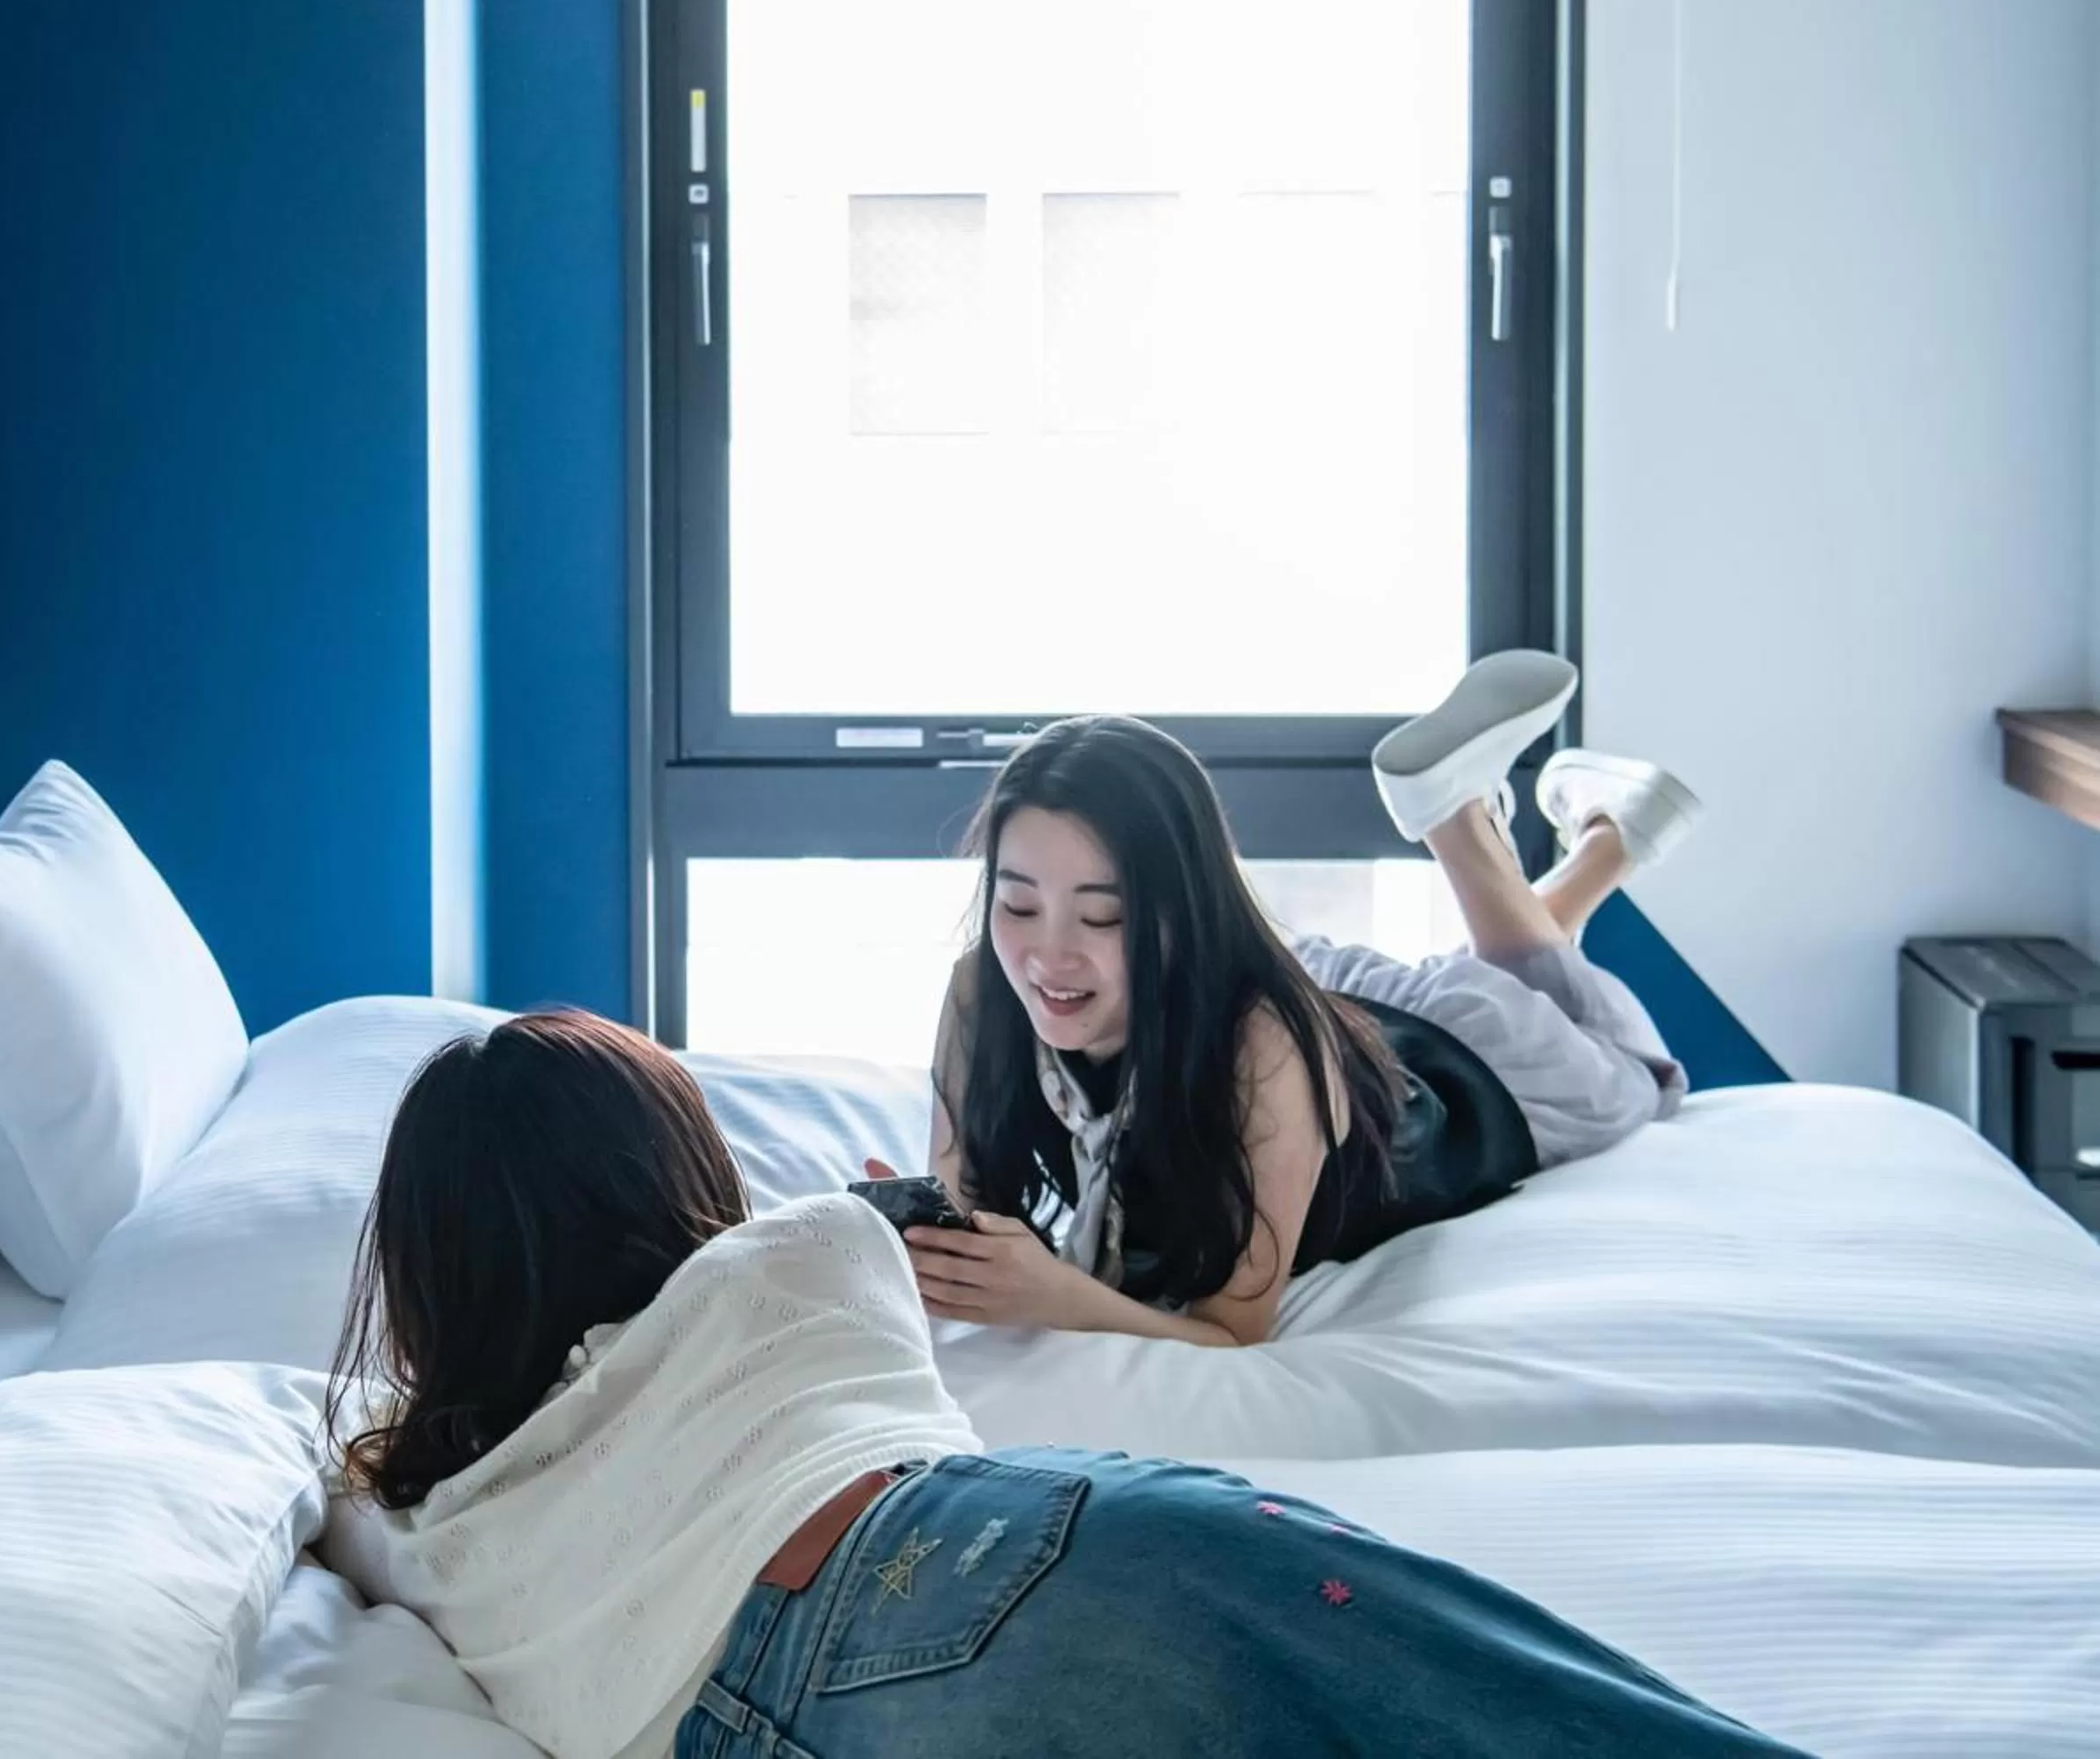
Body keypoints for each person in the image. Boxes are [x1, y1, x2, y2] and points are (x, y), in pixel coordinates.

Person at [320, 1010, 1795, 1759]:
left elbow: (342, 1489)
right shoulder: (805, 1253)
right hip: (995, 1563)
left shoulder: (425, 1520)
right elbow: (839, 1210)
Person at [887, 649, 1698, 1347]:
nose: (1047, 955)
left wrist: (1062, 1299)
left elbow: (1233, 1330)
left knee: (1632, 1072)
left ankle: (1547, 831)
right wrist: (908, 1239)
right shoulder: (980, 989)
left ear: (1182, 915)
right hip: (1331, 1000)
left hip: (1481, 1075)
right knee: (1508, 977)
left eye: (1106, 915)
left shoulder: (1265, 1051)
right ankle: (1606, 834)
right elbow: (965, 1205)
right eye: (1018, 904)